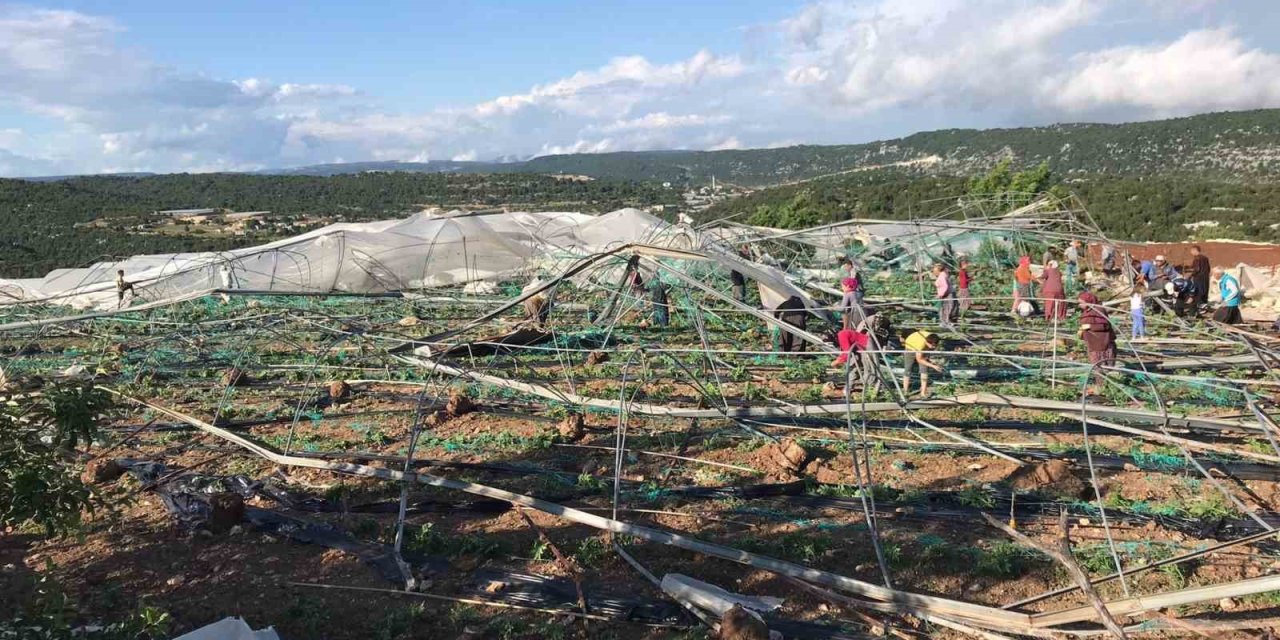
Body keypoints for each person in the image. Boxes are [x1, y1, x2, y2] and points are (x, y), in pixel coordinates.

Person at [1078, 291, 1117, 394]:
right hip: (1093, 343)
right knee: (1096, 367)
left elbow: (1105, 326)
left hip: (1102, 343)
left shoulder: (1099, 310)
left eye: (1081, 302)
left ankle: (1107, 387)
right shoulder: (1087, 311)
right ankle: (1101, 386)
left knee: (1104, 366)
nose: (1080, 305)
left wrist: (1090, 326)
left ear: (1088, 301)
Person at [901, 329, 943, 398]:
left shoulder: (933, 338)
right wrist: (933, 366)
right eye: (932, 346)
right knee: (908, 369)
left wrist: (930, 361)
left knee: (924, 370)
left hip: (920, 342)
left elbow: (925, 359)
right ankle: (905, 391)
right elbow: (919, 360)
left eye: (935, 345)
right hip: (910, 347)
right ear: (927, 343)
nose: (934, 348)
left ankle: (923, 393)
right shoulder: (920, 344)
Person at [932, 264, 956, 329]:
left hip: (947, 295)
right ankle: (945, 322)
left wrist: (940, 294)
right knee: (945, 308)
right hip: (947, 294)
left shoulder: (942, 276)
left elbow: (945, 286)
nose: (933, 272)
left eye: (934, 271)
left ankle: (946, 322)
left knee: (946, 308)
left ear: (938, 271)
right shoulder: (942, 275)